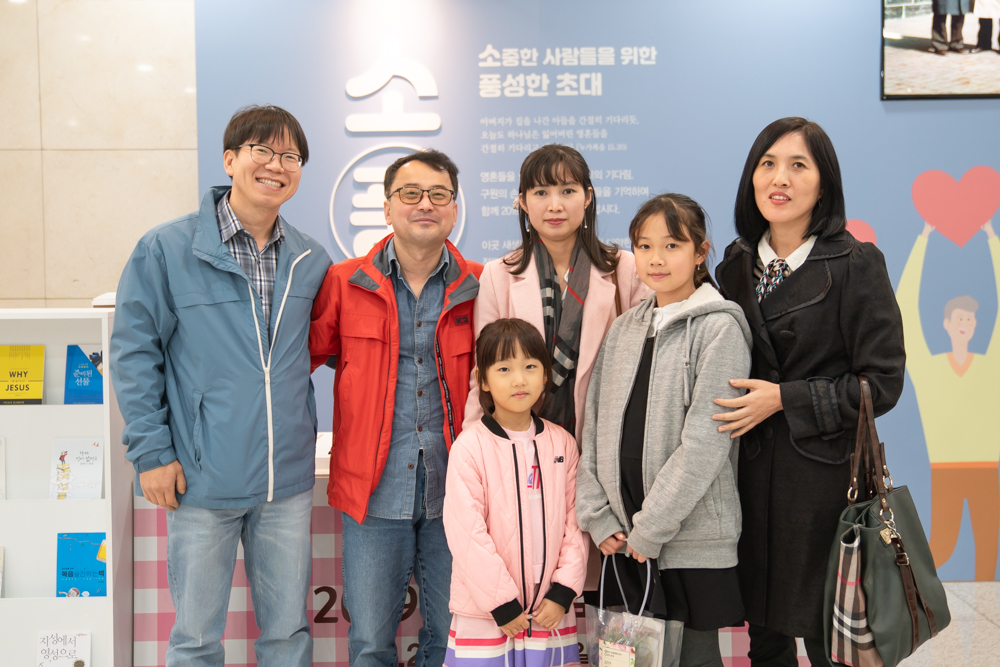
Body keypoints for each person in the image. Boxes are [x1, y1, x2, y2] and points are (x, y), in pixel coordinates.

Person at [111, 105, 332, 666]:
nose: (276, 165)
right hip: (200, 477)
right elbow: (135, 354)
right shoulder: (166, 249)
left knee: (288, 636)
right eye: (263, 151)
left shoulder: (311, 259)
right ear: (230, 159)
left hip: (285, 480)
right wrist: (151, 453)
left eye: (290, 156)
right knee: (195, 639)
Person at [713, 117, 906, 666]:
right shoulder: (734, 265)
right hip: (747, 481)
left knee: (832, 639)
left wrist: (785, 399)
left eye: (798, 165)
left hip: (825, 488)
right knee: (764, 637)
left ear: (824, 185)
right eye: (767, 164)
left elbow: (881, 382)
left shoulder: (855, 263)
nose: (780, 178)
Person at [309, 149, 482, 667]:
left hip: (459, 493)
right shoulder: (344, 282)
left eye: (439, 194)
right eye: (410, 193)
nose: (425, 204)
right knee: (369, 642)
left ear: (454, 208)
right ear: (387, 207)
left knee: (450, 638)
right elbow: (296, 365)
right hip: (372, 491)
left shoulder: (480, 284)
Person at [462, 144, 648, 591]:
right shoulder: (499, 274)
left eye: (567, 190)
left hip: (605, 450)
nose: (555, 205)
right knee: (534, 575)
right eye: (541, 192)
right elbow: (483, 372)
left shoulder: (624, 268)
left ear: (588, 197)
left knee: (607, 590)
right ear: (522, 203)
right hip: (526, 449)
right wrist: (473, 447)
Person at [576, 194, 751, 667]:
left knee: (696, 659)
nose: (656, 258)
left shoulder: (719, 328)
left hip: (687, 544)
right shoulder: (624, 328)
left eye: (672, 245)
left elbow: (705, 446)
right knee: (625, 661)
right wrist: (597, 515)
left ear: (700, 252)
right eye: (644, 246)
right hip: (622, 539)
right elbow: (592, 431)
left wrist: (649, 529)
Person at [443, 318, 587, 667]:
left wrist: (563, 592)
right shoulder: (470, 448)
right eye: (504, 369)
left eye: (530, 367)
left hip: (549, 609)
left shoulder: (562, 444)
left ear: (545, 374)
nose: (519, 380)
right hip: (489, 613)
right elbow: (467, 533)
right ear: (483, 380)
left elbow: (576, 522)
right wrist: (501, 604)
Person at [897, 220, 1000, 581]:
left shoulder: (991, 366)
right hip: (945, 470)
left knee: (987, 554)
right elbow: (904, 311)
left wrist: (992, 240)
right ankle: (909, 602)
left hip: (986, 469)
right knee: (940, 548)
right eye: (959, 318)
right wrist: (923, 238)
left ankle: (987, 617)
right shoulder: (929, 368)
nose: (965, 322)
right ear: (946, 323)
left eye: (970, 318)